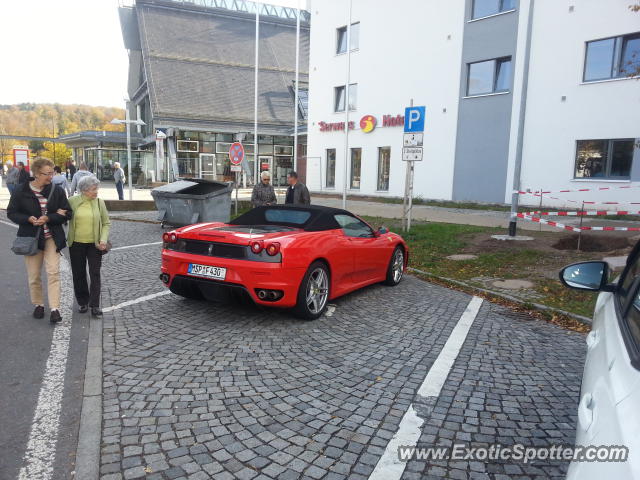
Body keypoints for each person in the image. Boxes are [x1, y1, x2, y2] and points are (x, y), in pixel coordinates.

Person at [7, 157, 72, 324]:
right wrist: (28, 218)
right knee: (34, 275)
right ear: (36, 174)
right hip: (31, 238)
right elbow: (12, 213)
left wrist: (48, 218)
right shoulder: (21, 191)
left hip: (51, 237)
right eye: (47, 174)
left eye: (52, 173)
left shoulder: (56, 191)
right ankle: (38, 304)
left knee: (53, 272)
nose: (51, 177)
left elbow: (68, 212)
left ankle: (55, 309)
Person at [67, 176, 111, 316]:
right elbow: (63, 216)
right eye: (93, 189)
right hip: (76, 244)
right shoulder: (72, 201)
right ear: (84, 190)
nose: (96, 191)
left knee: (95, 273)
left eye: (97, 188)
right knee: (78, 274)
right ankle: (83, 302)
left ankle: (95, 305)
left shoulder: (99, 203)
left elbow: (106, 223)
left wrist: (103, 239)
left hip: (95, 244)